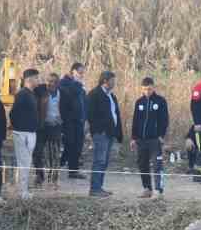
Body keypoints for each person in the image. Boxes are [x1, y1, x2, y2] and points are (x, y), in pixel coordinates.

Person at [131, 76, 170, 199]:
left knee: (157, 164)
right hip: (141, 140)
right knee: (142, 164)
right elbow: (135, 121)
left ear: (153, 88)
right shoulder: (139, 102)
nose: (147, 92)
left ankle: (159, 190)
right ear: (141, 89)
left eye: (149, 89)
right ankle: (147, 188)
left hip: (155, 140)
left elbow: (164, 120)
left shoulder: (160, 101)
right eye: (145, 89)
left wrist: (161, 136)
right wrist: (133, 138)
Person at [86, 70, 123, 198]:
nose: (114, 82)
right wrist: (98, 129)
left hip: (110, 133)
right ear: (105, 81)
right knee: (99, 160)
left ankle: (99, 187)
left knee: (104, 161)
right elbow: (90, 114)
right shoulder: (94, 94)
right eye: (112, 80)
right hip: (101, 133)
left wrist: (118, 133)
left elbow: (115, 114)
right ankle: (95, 189)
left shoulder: (111, 96)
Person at [9, 68, 41, 201]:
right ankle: (22, 192)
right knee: (24, 163)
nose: (38, 80)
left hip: (30, 132)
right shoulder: (22, 94)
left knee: (27, 163)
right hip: (22, 133)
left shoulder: (32, 94)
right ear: (30, 79)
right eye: (37, 78)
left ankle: (23, 189)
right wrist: (20, 128)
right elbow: (13, 113)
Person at [59, 63, 89, 180]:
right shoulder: (65, 83)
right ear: (73, 71)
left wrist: (85, 117)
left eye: (83, 73)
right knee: (70, 144)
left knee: (77, 145)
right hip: (69, 120)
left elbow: (84, 102)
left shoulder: (80, 85)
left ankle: (73, 169)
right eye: (80, 72)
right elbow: (69, 96)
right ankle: (65, 165)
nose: (82, 75)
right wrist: (77, 84)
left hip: (79, 120)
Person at [38, 72, 64, 185]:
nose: (51, 83)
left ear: (58, 83)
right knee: (42, 154)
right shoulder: (41, 93)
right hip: (44, 127)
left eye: (53, 81)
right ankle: (40, 177)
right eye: (49, 81)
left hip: (56, 127)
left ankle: (54, 179)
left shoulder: (62, 95)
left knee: (55, 154)